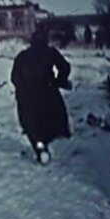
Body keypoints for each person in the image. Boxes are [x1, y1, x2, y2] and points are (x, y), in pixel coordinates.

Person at [11, 27, 72, 165]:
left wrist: (22, 91)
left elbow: (14, 77)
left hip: (28, 97)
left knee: (33, 126)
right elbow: (65, 67)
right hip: (48, 93)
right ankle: (62, 150)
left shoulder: (22, 56)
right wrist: (59, 81)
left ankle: (40, 148)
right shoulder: (50, 53)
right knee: (54, 122)